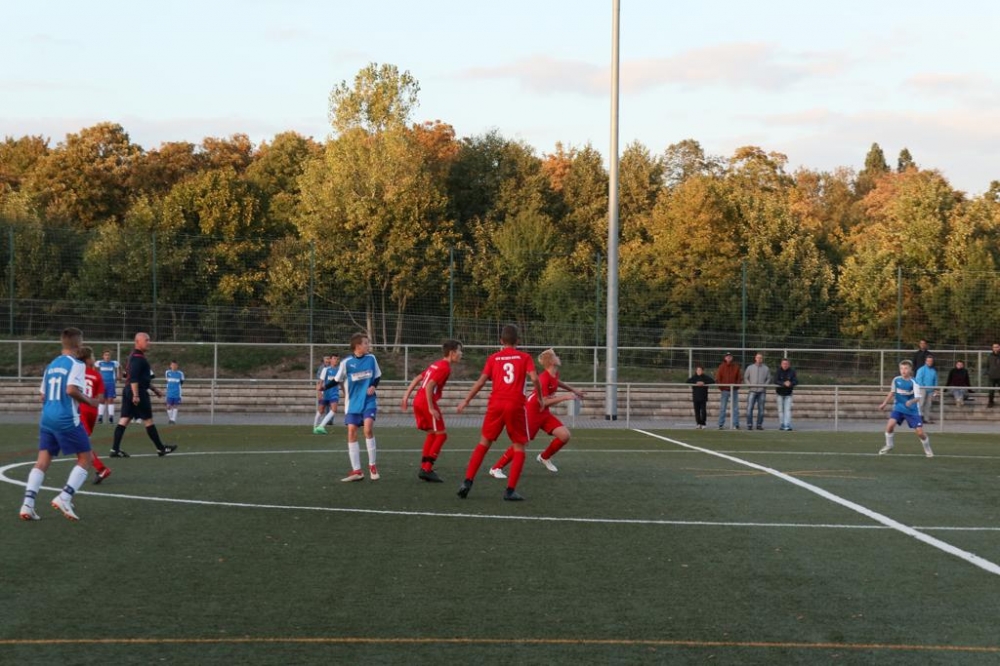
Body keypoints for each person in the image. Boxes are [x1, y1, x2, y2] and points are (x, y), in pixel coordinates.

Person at [19, 327, 100, 521]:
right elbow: (71, 390)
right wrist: (90, 401)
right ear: (79, 344)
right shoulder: (77, 364)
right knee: (86, 459)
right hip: (66, 418)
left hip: (47, 417)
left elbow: (42, 395)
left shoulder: (52, 365)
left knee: (42, 461)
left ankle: (27, 504)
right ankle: (65, 497)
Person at [455, 324, 541, 501]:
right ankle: (510, 491)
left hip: (495, 404)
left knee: (484, 443)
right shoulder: (525, 357)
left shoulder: (493, 358)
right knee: (519, 446)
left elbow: (481, 382)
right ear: (518, 341)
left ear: (501, 341)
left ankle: (467, 482)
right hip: (515, 404)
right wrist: (540, 397)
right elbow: (534, 378)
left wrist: (466, 400)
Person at [488, 348, 584, 477]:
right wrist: (565, 397)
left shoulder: (554, 373)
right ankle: (496, 468)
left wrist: (573, 390)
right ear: (551, 361)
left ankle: (544, 457)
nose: (558, 357)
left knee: (564, 435)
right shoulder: (543, 378)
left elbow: (556, 382)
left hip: (543, 412)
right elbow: (543, 401)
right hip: (532, 411)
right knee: (522, 442)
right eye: (556, 356)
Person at [401, 340, 463, 483]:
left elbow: (418, 378)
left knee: (432, 433)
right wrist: (431, 407)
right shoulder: (444, 368)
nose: (461, 354)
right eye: (460, 351)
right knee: (442, 436)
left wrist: (406, 397)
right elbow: (429, 386)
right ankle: (427, 469)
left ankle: (424, 467)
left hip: (418, 401)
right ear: (452, 352)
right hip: (426, 402)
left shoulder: (436, 364)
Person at [109, 332, 177, 458]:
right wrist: (136, 395)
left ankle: (115, 449)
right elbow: (134, 378)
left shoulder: (134, 356)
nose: (148, 342)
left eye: (149, 340)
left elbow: (139, 378)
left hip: (129, 390)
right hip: (137, 391)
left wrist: (154, 389)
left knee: (124, 419)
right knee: (148, 420)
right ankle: (161, 448)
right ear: (137, 342)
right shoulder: (137, 358)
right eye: (146, 340)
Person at [330, 334, 381, 482]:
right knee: (351, 431)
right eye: (365, 343)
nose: (368, 345)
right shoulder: (346, 363)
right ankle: (357, 471)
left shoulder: (371, 358)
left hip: (369, 401)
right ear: (358, 346)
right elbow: (336, 380)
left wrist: (373, 386)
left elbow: (377, 376)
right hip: (352, 403)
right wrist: (323, 388)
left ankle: (372, 465)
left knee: (367, 429)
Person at [878, 360, 933, 458]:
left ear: (910, 370)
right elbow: (892, 392)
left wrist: (910, 402)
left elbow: (918, 398)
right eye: (901, 368)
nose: (903, 371)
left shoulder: (914, 382)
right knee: (890, 426)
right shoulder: (896, 380)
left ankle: (927, 449)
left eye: (906, 368)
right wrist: (884, 403)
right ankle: (889, 445)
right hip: (898, 408)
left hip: (912, 410)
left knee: (920, 432)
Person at [77, 347, 113, 484]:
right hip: (92, 411)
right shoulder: (97, 375)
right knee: (81, 443)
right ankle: (95, 469)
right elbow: (101, 399)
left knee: (80, 444)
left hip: (81, 410)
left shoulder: (77, 372)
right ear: (87, 359)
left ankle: (101, 469)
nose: (94, 359)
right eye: (92, 356)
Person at [314, 353, 341, 434]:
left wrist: (345, 393)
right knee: (321, 410)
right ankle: (315, 427)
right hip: (325, 393)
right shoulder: (326, 370)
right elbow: (320, 382)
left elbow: (341, 382)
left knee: (334, 409)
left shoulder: (339, 370)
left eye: (337, 359)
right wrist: (319, 392)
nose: (336, 360)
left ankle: (321, 426)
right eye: (334, 358)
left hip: (334, 393)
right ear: (331, 360)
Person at [716, 352, 743, 430]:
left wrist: (736, 387)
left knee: (735, 408)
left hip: (733, 390)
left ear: (732, 358)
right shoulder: (721, 367)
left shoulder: (736, 367)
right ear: (725, 358)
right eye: (727, 356)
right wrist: (721, 388)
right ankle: (721, 424)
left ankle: (736, 424)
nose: (728, 358)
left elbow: (739, 378)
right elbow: (718, 378)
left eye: (730, 356)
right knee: (723, 408)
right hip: (724, 390)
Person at [744, 352, 771, 430]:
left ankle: (759, 425)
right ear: (755, 358)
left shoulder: (766, 368)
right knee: (749, 408)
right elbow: (746, 377)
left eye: (760, 358)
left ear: (762, 359)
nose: (759, 359)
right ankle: (749, 424)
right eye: (758, 357)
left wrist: (764, 386)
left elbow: (769, 378)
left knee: (761, 409)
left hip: (762, 392)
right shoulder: (750, 367)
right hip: (752, 391)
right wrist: (749, 385)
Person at [773, 358, 798, 431]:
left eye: (786, 364)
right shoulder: (778, 371)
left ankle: (787, 425)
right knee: (780, 411)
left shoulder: (792, 371)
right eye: (783, 364)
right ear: (781, 364)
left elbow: (796, 381)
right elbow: (775, 380)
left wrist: (790, 383)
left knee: (787, 410)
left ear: (789, 364)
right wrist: (783, 383)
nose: (785, 365)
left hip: (788, 394)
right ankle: (782, 425)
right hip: (779, 394)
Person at [95, 349, 119, 424]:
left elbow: (120, 367)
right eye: (106, 355)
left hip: (111, 384)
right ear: (103, 356)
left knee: (110, 400)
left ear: (110, 356)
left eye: (108, 355)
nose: (107, 356)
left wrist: (120, 376)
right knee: (101, 400)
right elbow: (94, 368)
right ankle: (100, 417)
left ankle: (111, 417)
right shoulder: (99, 363)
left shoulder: (114, 363)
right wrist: (96, 377)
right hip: (102, 384)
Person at [914, 354, 938, 423]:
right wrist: (923, 386)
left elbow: (935, 380)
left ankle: (926, 419)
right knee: (921, 404)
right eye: (928, 361)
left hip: (930, 390)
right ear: (926, 361)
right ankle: (918, 418)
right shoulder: (921, 369)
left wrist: (935, 389)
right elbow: (918, 380)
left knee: (928, 405)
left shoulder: (933, 371)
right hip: (922, 389)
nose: (929, 362)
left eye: (931, 361)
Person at [164, 360, 185, 424]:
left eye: (175, 365)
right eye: (172, 365)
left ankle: (173, 420)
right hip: (169, 392)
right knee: (168, 406)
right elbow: (167, 381)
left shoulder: (180, 373)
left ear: (177, 366)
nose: (174, 366)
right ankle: (171, 419)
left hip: (177, 392)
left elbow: (181, 382)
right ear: (170, 366)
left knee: (175, 406)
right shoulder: (167, 372)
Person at [987, 342, 1000, 408]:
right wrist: (988, 372)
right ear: (992, 348)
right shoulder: (989, 356)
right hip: (992, 376)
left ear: (999, 348)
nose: (995, 348)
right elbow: (987, 365)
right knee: (991, 391)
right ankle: (990, 402)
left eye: (997, 347)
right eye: (994, 347)